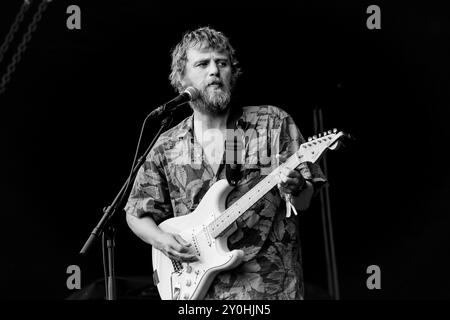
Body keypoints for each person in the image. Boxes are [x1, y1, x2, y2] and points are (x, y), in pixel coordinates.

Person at [124, 26, 326, 300]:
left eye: (222, 63)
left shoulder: (271, 123)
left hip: (270, 289)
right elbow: (136, 212)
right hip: (200, 293)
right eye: (203, 64)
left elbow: (304, 202)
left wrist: (296, 186)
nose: (214, 71)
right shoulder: (167, 145)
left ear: (233, 72)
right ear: (182, 78)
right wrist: (162, 241)